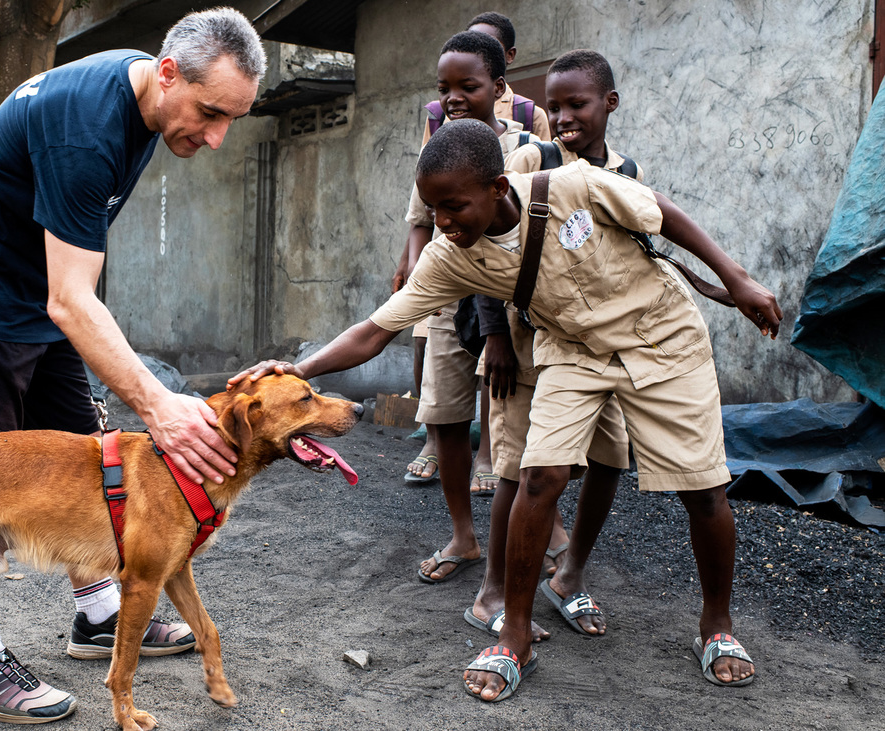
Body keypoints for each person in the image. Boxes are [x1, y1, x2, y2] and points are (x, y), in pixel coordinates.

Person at [232, 118, 777, 701]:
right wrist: (298, 370)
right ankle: (513, 635)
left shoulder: (574, 186)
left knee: (704, 490)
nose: (442, 222)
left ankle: (715, 626)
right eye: (433, 208)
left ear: (496, 187)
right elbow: (375, 330)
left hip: (661, 338)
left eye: (453, 206)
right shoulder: (450, 257)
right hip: (572, 349)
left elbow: (661, 211)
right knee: (535, 478)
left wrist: (737, 280)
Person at [0, 8, 265, 724]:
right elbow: (72, 298)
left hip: (41, 301)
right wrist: (159, 404)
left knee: (89, 454)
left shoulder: (147, 101)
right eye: (209, 113)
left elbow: (70, 287)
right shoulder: (87, 131)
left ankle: (99, 612)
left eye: (232, 118)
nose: (217, 135)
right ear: (168, 75)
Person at [467, 49, 640, 640]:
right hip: (524, 342)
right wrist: (494, 338)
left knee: (608, 460)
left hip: (596, 348)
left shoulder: (626, 172)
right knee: (518, 470)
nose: (564, 117)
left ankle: (568, 576)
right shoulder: (530, 158)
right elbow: (488, 250)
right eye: (555, 106)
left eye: (577, 104)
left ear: (608, 104)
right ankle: (491, 591)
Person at [393, 31, 531, 584]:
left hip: (510, 312)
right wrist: (412, 287)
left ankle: (535, 531)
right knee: (446, 414)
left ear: (498, 88)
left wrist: (497, 332)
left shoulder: (524, 144)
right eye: (443, 88)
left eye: (466, 86)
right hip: (448, 302)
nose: (452, 97)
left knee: (513, 419)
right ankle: (463, 536)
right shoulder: (437, 147)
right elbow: (422, 222)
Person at [465, 11, 551, 141]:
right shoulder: (442, 113)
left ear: (510, 55)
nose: (478, 56)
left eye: (489, 49)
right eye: (470, 47)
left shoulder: (530, 115)